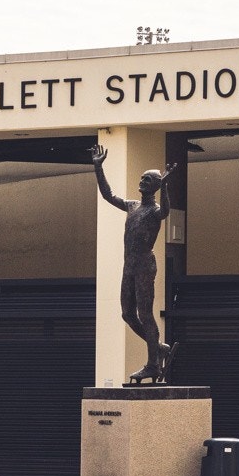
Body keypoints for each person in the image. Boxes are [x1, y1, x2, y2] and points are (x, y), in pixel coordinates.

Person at [89, 145, 176, 382]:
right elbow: (108, 195)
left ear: (156, 186)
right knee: (127, 314)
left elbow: (166, 211)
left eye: (147, 180)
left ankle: (153, 365)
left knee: (146, 314)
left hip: (144, 266)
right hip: (129, 266)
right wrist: (98, 167)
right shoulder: (132, 206)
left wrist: (166, 186)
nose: (142, 181)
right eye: (141, 178)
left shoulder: (155, 211)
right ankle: (158, 347)